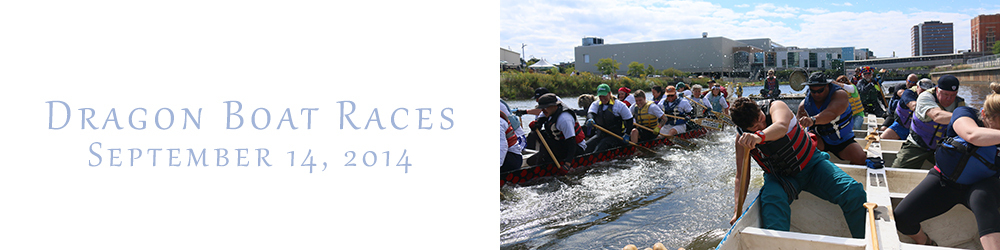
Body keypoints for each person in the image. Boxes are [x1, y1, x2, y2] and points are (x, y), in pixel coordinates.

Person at [730, 97, 866, 238]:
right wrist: (736, 211)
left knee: (853, 192)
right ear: (745, 128)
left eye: (760, 118)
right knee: (771, 203)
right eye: (755, 127)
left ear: (759, 110)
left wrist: (759, 136)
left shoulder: (776, 106)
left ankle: (863, 240)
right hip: (780, 179)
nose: (762, 124)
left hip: (813, 166)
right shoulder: (742, 140)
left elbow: (781, 126)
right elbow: (741, 175)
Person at [893, 82, 1000, 248]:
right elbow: (972, 135)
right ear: (984, 114)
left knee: (982, 197)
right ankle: (927, 242)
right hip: (945, 180)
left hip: (983, 185)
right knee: (902, 217)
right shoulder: (964, 113)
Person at [893, 75, 966, 169]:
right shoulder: (925, 97)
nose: (949, 99)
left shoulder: (960, 104)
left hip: (942, 148)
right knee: (897, 171)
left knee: (959, 172)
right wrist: (966, 117)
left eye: (953, 95)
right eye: (945, 94)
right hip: (917, 145)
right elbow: (937, 115)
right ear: (937, 90)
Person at [797, 72, 866, 165]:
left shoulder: (840, 95)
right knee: (802, 149)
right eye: (813, 91)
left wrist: (812, 120)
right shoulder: (804, 105)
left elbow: (831, 113)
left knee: (860, 157)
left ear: (827, 86)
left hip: (842, 139)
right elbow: (796, 126)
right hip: (819, 138)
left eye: (820, 90)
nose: (816, 94)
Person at [525, 93, 587, 167]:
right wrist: (537, 124)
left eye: (545, 107)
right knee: (531, 158)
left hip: (576, 148)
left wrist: (567, 164)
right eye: (541, 108)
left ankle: (541, 166)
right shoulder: (547, 111)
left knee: (547, 144)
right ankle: (542, 163)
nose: (542, 110)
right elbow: (540, 119)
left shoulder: (564, 119)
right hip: (561, 143)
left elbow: (572, 143)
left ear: (554, 106)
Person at [586, 84, 634, 153]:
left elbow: (629, 120)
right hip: (600, 135)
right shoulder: (595, 104)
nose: (602, 98)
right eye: (600, 96)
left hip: (615, 136)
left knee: (599, 148)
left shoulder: (619, 105)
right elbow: (590, 114)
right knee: (586, 146)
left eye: (604, 96)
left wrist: (627, 134)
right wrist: (590, 119)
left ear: (609, 93)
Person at [879, 74, 918, 139]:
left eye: (914, 83)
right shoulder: (900, 87)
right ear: (906, 81)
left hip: (907, 118)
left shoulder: (917, 91)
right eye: (909, 81)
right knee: (883, 129)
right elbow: (900, 93)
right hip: (893, 115)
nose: (911, 84)